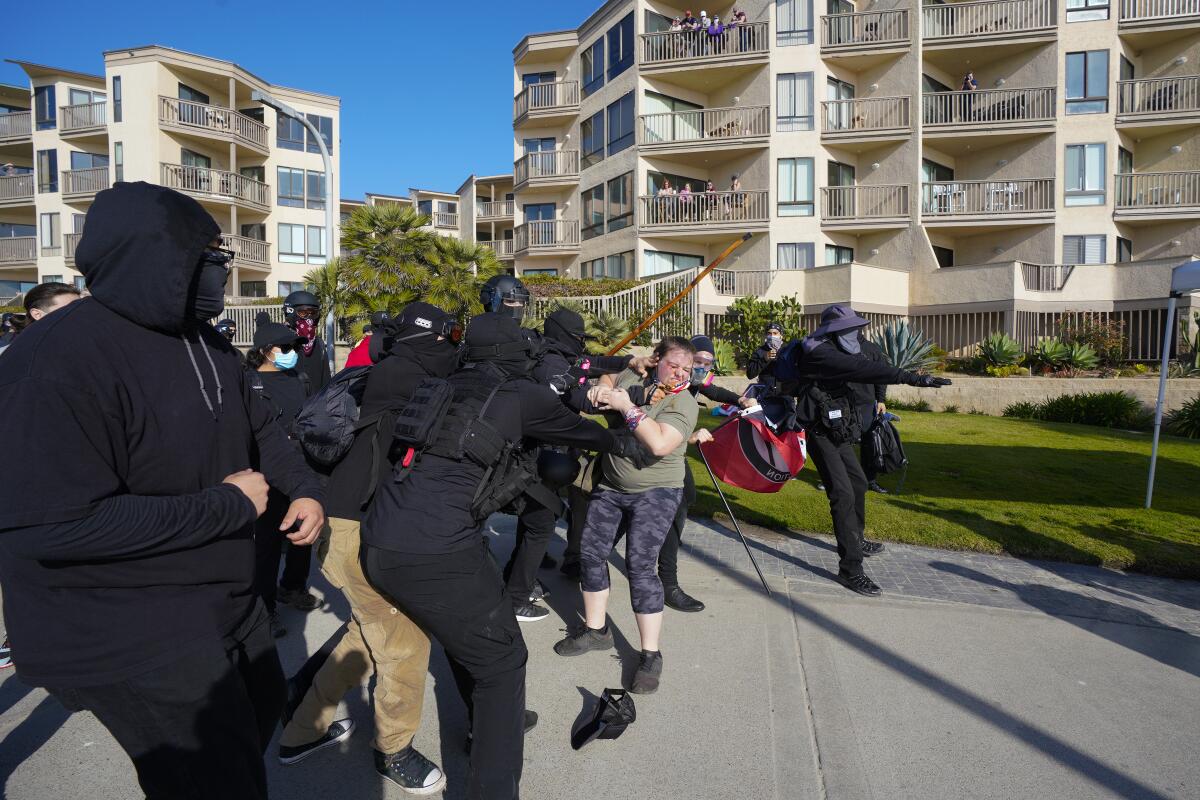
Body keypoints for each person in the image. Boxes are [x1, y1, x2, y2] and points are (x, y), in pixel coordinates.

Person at [0, 181, 325, 799]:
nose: (220, 274)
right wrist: (225, 506)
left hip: (226, 599)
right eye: (210, 257)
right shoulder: (54, 361)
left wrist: (303, 488)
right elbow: (49, 525)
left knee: (253, 733)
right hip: (126, 621)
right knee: (215, 785)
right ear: (158, 257)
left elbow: (263, 429)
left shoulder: (207, 342)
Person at [362, 312, 650, 800]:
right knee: (503, 660)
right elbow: (589, 435)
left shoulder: (443, 383)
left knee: (466, 634)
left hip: (384, 536)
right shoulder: (522, 393)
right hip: (435, 549)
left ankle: (486, 723)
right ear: (511, 352)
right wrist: (626, 428)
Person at [279, 302, 459, 792]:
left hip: (350, 523)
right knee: (404, 640)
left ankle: (302, 729)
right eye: (451, 333)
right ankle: (393, 751)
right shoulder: (404, 372)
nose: (455, 343)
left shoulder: (382, 365)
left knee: (365, 629)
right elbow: (457, 372)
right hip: (349, 527)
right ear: (434, 336)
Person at [554, 337, 700, 696]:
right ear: (656, 360)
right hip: (612, 487)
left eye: (687, 369)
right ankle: (596, 630)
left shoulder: (684, 401)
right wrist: (612, 382)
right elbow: (602, 387)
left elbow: (661, 444)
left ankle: (650, 654)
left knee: (639, 566)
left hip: (658, 491)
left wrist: (625, 407)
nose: (680, 374)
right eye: (673, 366)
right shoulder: (634, 377)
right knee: (589, 554)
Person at [508, 306, 656, 622]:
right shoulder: (550, 364)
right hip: (535, 451)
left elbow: (591, 364)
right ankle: (516, 593)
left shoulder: (560, 356)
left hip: (544, 446)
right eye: (578, 338)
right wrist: (636, 396)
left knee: (538, 519)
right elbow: (582, 400)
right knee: (540, 518)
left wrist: (630, 361)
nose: (581, 343)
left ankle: (520, 576)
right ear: (566, 336)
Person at [790, 305, 949, 597]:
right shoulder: (820, 353)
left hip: (836, 429)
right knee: (842, 493)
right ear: (835, 332)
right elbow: (866, 368)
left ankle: (856, 537)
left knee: (859, 483)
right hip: (818, 432)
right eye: (850, 329)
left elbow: (869, 364)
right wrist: (914, 378)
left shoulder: (832, 348)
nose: (857, 334)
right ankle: (851, 570)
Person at [246, 312, 318, 637]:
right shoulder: (246, 382)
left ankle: (293, 586)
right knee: (267, 545)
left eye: (294, 346)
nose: (291, 351)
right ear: (265, 349)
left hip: (300, 471)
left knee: (302, 537)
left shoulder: (299, 379)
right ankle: (265, 609)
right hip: (266, 474)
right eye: (284, 346)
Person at [849, 331, 890, 495]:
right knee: (843, 442)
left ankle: (870, 480)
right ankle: (838, 478)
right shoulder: (837, 348)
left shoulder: (871, 349)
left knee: (869, 443)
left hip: (867, 404)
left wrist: (881, 399)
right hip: (844, 403)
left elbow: (881, 376)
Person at [284, 289, 331, 391]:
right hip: (291, 403)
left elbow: (326, 379)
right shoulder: (281, 343)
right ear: (291, 312)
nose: (309, 318)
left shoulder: (318, 343)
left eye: (313, 313)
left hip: (316, 403)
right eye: (303, 313)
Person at [746, 321, 785, 395]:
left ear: (781, 336)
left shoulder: (787, 350)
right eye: (769, 333)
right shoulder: (760, 351)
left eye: (775, 333)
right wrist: (764, 359)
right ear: (766, 336)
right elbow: (750, 374)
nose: (772, 336)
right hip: (766, 395)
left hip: (784, 396)